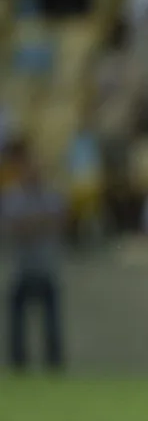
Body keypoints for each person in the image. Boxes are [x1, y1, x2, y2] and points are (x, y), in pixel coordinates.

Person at [1, 139, 66, 370]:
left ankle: (54, 365)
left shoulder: (52, 196)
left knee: (52, 324)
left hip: (47, 268)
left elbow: (58, 222)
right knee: (17, 325)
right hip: (22, 270)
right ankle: (19, 365)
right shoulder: (12, 197)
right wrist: (39, 222)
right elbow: (15, 228)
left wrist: (32, 223)